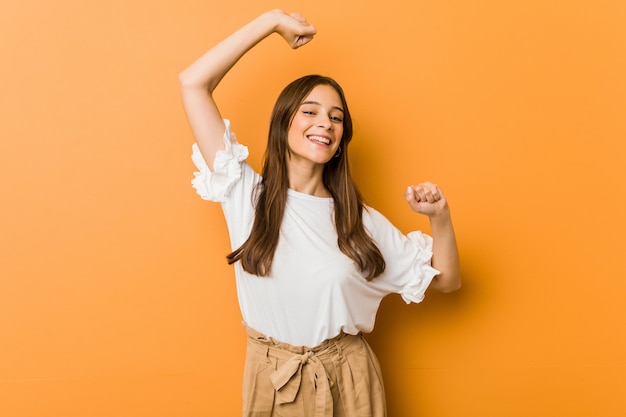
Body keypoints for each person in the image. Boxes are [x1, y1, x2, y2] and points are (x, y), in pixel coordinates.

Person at [179, 9, 461, 417]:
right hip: (271, 377)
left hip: (349, 380)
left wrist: (440, 216)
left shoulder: (358, 222)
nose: (324, 123)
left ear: (341, 138)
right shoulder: (245, 193)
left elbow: (448, 281)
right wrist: (272, 22)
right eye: (309, 111)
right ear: (285, 123)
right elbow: (192, 83)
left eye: (336, 117)